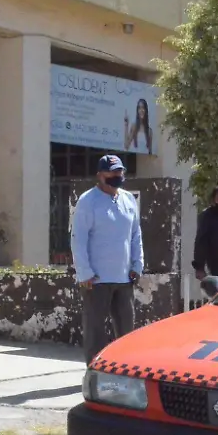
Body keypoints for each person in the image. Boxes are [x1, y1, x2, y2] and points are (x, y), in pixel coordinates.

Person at [71, 155, 145, 364]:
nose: (117, 176)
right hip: (96, 280)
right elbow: (78, 238)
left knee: (126, 331)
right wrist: (84, 272)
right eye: (112, 172)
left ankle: (124, 370)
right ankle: (95, 373)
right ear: (100, 175)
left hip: (124, 278)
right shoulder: (88, 201)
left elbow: (135, 235)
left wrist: (137, 265)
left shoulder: (128, 199)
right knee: (95, 331)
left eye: (120, 171)